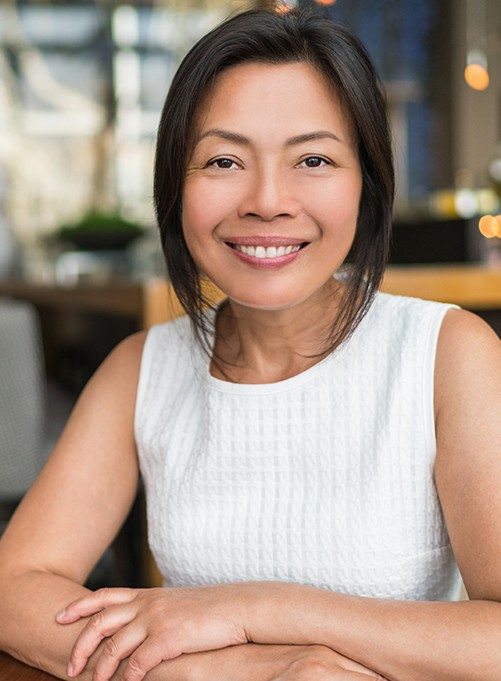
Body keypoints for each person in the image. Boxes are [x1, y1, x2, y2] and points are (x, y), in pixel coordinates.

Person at [1, 5, 500, 681]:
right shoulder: (141, 368)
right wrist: (236, 668)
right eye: (224, 159)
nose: (267, 200)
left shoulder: (447, 354)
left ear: (367, 184)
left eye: (314, 158)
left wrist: (255, 608)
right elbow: (15, 589)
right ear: (176, 185)